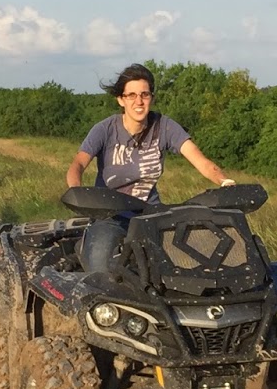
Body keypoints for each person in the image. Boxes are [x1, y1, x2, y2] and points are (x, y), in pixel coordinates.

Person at [66, 63, 235, 271]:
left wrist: (225, 182)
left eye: (145, 95)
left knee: (190, 262)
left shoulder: (164, 126)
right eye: (132, 95)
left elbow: (200, 161)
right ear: (121, 99)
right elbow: (78, 164)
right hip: (109, 215)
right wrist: (77, 194)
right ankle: (85, 253)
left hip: (151, 214)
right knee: (101, 268)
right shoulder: (105, 129)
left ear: (151, 98)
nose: (139, 101)